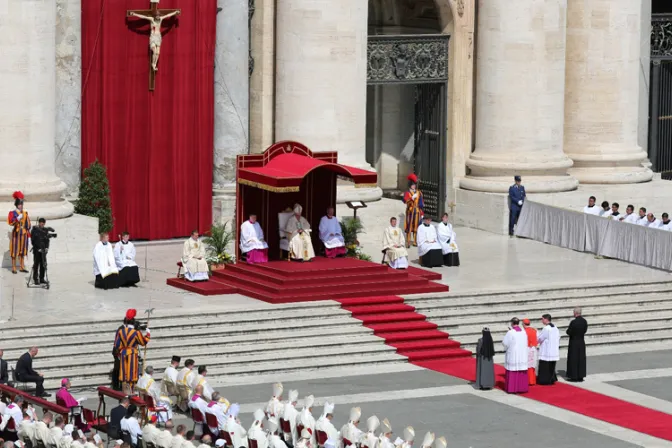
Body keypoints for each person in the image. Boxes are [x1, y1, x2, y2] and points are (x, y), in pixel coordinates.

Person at [113, 309, 151, 394]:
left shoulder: (121, 331)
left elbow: (117, 345)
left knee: (124, 375)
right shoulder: (136, 333)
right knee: (131, 375)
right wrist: (148, 335)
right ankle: (131, 392)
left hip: (123, 354)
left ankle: (124, 392)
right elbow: (143, 342)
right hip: (132, 354)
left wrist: (120, 353)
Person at [502, 318, 529, 394]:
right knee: (521, 370)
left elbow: (505, 343)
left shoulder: (510, 333)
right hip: (522, 354)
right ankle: (521, 388)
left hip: (513, 354)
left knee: (513, 370)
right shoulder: (523, 332)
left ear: (512, 323)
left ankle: (512, 388)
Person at [7, 191, 31, 274]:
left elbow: (28, 224)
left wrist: (29, 236)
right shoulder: (12, 213)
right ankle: (13, 267)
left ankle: (22, 267)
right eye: (20, 204)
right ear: (17, 205)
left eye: (22, 204)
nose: (21, 206)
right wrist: (16, 219)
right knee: (15, 250)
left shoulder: (25, 213)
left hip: (23, 234)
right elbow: (10, 222)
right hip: (16, 234)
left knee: (22, 250)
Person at [537, 313, 560, 385]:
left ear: (546, 319)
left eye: (542, 319)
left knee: (545, 366)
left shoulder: (546, 328)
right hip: (553, 350)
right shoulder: (555, 327)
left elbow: (540, 338)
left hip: (546, 351)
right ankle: (552, 378)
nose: (542, 320)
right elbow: (559, 337)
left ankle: (544, 380)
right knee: (551, 366)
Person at [566, 307, 588, 382]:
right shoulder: (584, 321)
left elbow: (569, 332)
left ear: (575, 313)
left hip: (574, 342)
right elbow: (585, 330)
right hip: (581, 341)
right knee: (581, 359)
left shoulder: (573, 322)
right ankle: (580, 375)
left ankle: (574, 376)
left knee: (573, 359)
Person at [30, 218, 53, 285]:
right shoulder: (34, 230)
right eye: (41, 222)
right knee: (36, 265)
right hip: (37, 250)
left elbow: (47, 240)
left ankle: (42, 278)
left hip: (43, 250)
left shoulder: (45, 230)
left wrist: (46, 248)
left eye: (43, 223)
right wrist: (38, 248)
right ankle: (36, 279)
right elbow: (33, 241)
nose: (42, 224)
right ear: (39, 223)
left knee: (43, 264)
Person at [403, 174, 423, 247]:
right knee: (409, 226)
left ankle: (415, 241)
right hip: (410, 211)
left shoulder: (419, 192)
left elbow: (421, 203)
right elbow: (405, 201)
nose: (414, 186)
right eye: (412, 185)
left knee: (416, 227)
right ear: (410, 185)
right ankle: (408, 241)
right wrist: (411, 198)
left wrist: (422, 212)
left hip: (417, 212)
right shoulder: (407, 193)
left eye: (414, 185)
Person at [522, 319, 538, 386]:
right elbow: (538, 338)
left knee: (527, 365)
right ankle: (533, 380)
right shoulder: (535, 330)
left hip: (526, 349)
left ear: (523, 324)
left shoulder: (523, 331)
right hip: (533, 349)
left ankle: (528, 380)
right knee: (532, 365)